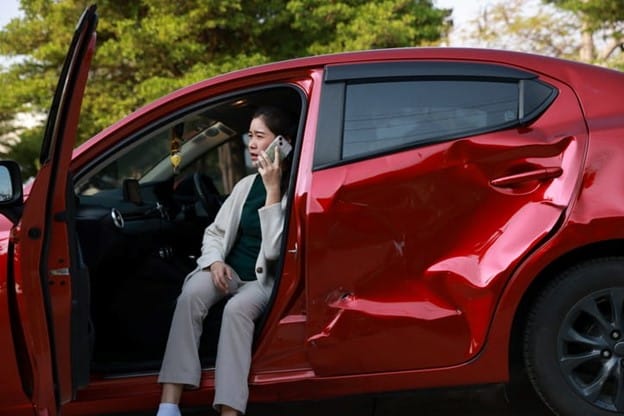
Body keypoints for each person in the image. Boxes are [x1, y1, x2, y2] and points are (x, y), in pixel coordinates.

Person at [156, 105, 296, 416]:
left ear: (282, 142)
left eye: (260, 136)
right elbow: (215, 233)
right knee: (191, 294)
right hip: (229, 271)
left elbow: (274, 252)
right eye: (251, 136)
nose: (253, 143)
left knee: (236, 310)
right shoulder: (245, 186)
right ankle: (169, 403)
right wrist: (215, 261)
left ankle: (230, 411)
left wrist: (273, 192)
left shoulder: (293, 191)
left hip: (261, 281)